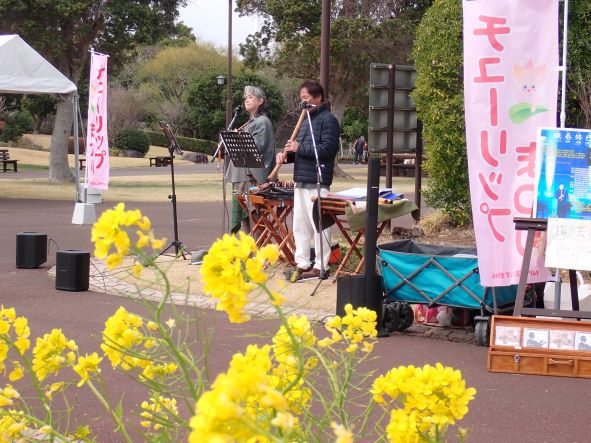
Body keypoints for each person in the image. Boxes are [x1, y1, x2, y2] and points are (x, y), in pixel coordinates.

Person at [276, 80, 340, 281]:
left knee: (319, 225)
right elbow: (300, 151)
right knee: (300, 225)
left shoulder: (328, 120)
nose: (303, 102)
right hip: (301, 179)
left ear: (318, 98)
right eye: (301, 99)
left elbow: (327, 150)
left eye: (306, 98)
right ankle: (302, 263)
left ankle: (322, 266)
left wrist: (298, 148)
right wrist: (286, 156)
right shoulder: (305, 121)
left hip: (318, 179)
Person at [226, 85, 276, 233]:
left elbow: (258, 148)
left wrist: (239, 139)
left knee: (255, 215)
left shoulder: (262, 122)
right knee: (244, 218)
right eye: (246, 98)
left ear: (260, 101)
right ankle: (248, 252)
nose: (246, 100)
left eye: (251, 97)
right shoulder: (250, 121)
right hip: (241, 175)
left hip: (253, 177)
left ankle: (258, 252)